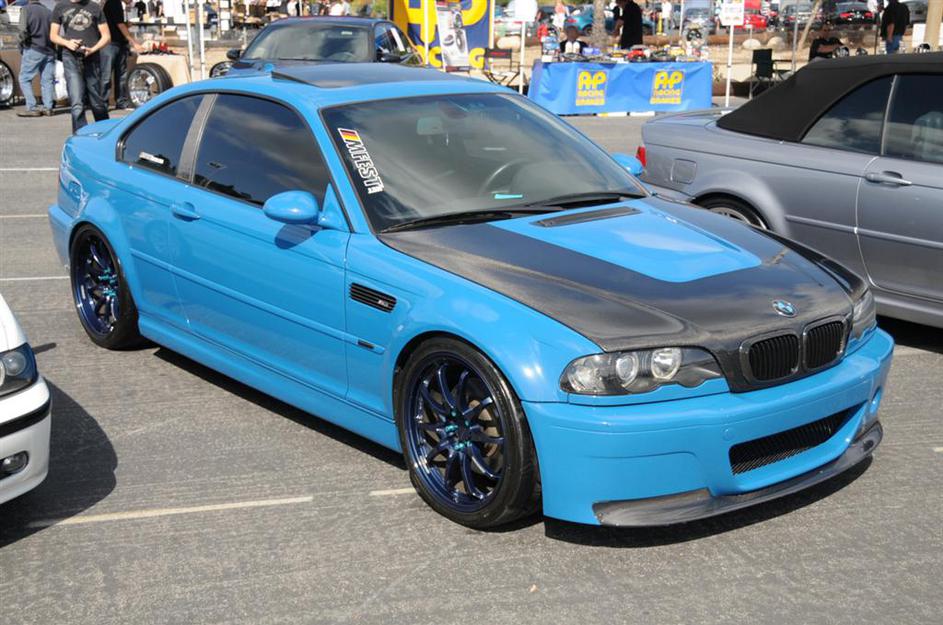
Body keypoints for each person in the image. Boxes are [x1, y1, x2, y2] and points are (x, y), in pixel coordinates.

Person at [50, 0, 111, 133]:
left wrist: (93, 49)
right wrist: (67, 43)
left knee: (97, 101)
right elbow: (53, 35)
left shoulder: (94, 7)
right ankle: (80, 135)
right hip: (70, 56)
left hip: (92, 57)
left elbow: (106, 36)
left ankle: (106, 133)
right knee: (76, 101)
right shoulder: (60, 6)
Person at [101, 0, 144, 111]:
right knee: (106, 75)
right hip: (110, 43)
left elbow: (119, 23)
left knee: (121, 74)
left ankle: (121, 101)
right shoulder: (114, 3)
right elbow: (119, 25)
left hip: (119, 43)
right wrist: (134, 42)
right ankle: (103, 103)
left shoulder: (119, 4)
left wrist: (126, 25)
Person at [16, 0, 55, 117]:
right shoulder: (49, 12)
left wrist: (21, 46)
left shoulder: (26, 9)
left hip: (33, 48)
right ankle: (48, 108)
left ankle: (32, 107)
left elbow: (22, 31)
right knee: (47, 80)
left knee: (24, 78)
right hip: (49, 50)